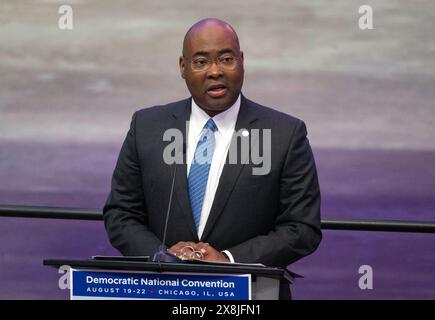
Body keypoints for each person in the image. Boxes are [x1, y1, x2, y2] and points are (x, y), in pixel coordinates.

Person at [103, 18, 321, 298]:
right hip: (164, 292)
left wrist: (228, 260)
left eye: (226, 59)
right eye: (201, 62)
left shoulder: (284, 134)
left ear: (242, 61)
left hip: (250, 295)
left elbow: (301, 228)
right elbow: (121, 214)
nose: (215, 71)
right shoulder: (147, 127)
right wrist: (160, 256)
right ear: (183, 67)